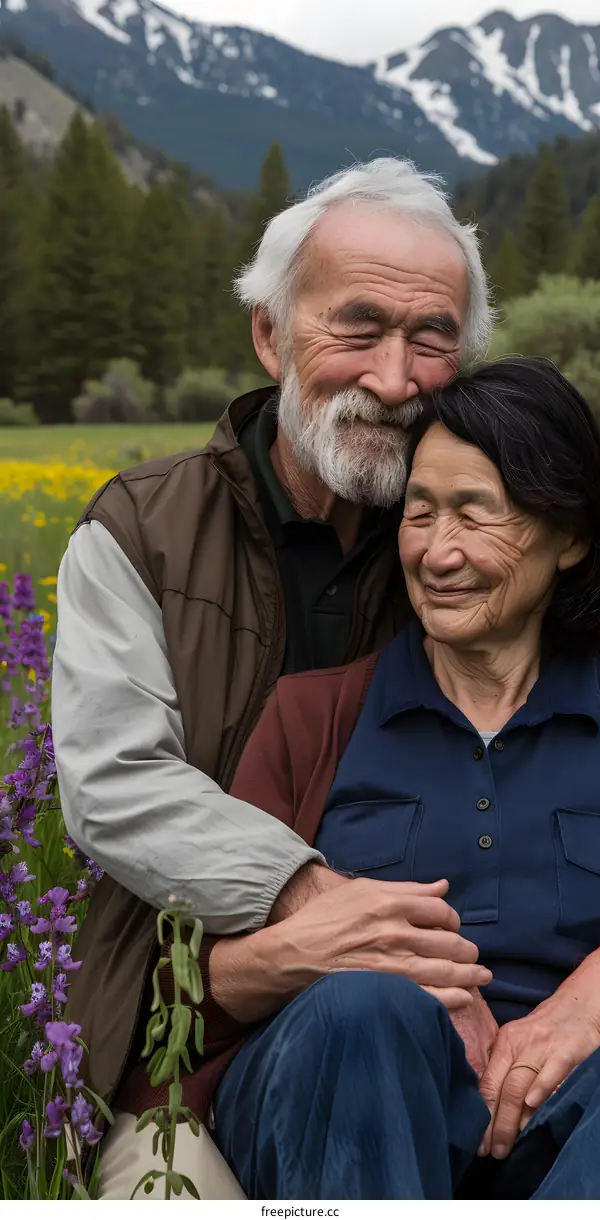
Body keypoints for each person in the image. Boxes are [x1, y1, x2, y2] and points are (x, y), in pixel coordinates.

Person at [51, 156, 494, 1192]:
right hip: (181, 1038)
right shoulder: (144, 531)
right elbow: (115, 783)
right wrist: (311, 895)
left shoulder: (484, 537)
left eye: (432, 339)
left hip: (450, 1024)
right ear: (269, 333)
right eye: (358, 326)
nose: (394, 378)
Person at [191, 357, 600, 1199]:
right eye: (419, 512)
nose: (437, 552)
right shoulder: (314, 718)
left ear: (571, 536)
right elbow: (197, 986)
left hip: (570, 1122)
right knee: (365, 1011)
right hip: (333, 1108)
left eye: (474, 515)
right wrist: (345, 955)